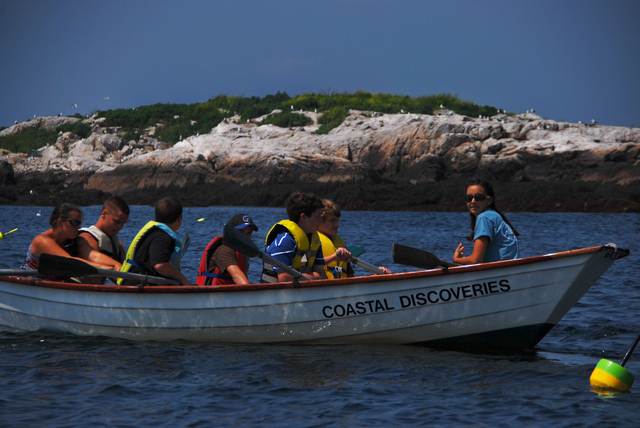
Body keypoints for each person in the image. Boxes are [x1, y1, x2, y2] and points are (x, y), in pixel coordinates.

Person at [24, 203, 121, 271]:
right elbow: (69, 261)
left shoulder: (76, 240)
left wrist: (118, 265)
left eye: (79, 223)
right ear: (60, 221)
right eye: (75, 223)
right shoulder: (41, 241)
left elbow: (92, 255)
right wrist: (108, 268)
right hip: (31, 283)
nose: (78, 227)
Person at [119, 197, 189, 285]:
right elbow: (160, 265)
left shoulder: (155, 232)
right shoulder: (162, 237)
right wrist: (182, 278)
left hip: (133, 280)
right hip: (137, 284)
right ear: (179, 219)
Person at [261, 192, 326, 282]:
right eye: (318, 216)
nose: (321, 220)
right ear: (303, 217)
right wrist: (312, 277)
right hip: (273, 293)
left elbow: (322, 274)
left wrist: (303, 278)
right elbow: (283, 278)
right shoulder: (285, 241)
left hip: (302, 291)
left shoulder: (314, 240)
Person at [317, 199, 391, 278]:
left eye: (338, 221)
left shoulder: (339, 244)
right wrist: (334, 256)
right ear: (318, 220)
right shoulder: (311, 242)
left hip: (340, 286)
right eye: (332, 220)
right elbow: (309, 267)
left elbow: (350, 276)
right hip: (324, 286)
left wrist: (376, 274)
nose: (337, 225)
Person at [452, 179, 520, 264]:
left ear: (489, 200)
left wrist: (456, 259)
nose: (473, 201)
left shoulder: (484, 218)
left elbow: (476, 260)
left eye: (478, 198)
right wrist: (465, 260)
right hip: (506, 270)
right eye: (469, 198)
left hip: (499, 271)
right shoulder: (494, 216)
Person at [196, 213, 258, 286]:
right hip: (214, 295)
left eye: (249, 233)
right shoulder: (224, 250)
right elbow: (237, 275)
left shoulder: (242, 251)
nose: (245, 236)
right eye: (241, 232)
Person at [77, 196, 129, 264]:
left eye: (123, 223)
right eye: (116, 222)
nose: (120, 227)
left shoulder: (117, 243)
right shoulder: (87, 238)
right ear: (104, 214)